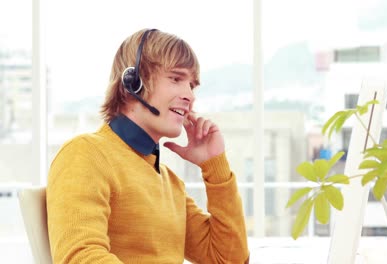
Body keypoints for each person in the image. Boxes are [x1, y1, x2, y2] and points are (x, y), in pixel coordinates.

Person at [46, 28, 250, 264]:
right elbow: (80, 257)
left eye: (192, 85)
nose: (189, 95)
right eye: (176, 79)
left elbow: (228, 259)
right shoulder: (85, 154)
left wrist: (214, 164)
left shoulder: (169, 182)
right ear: (132, 82)